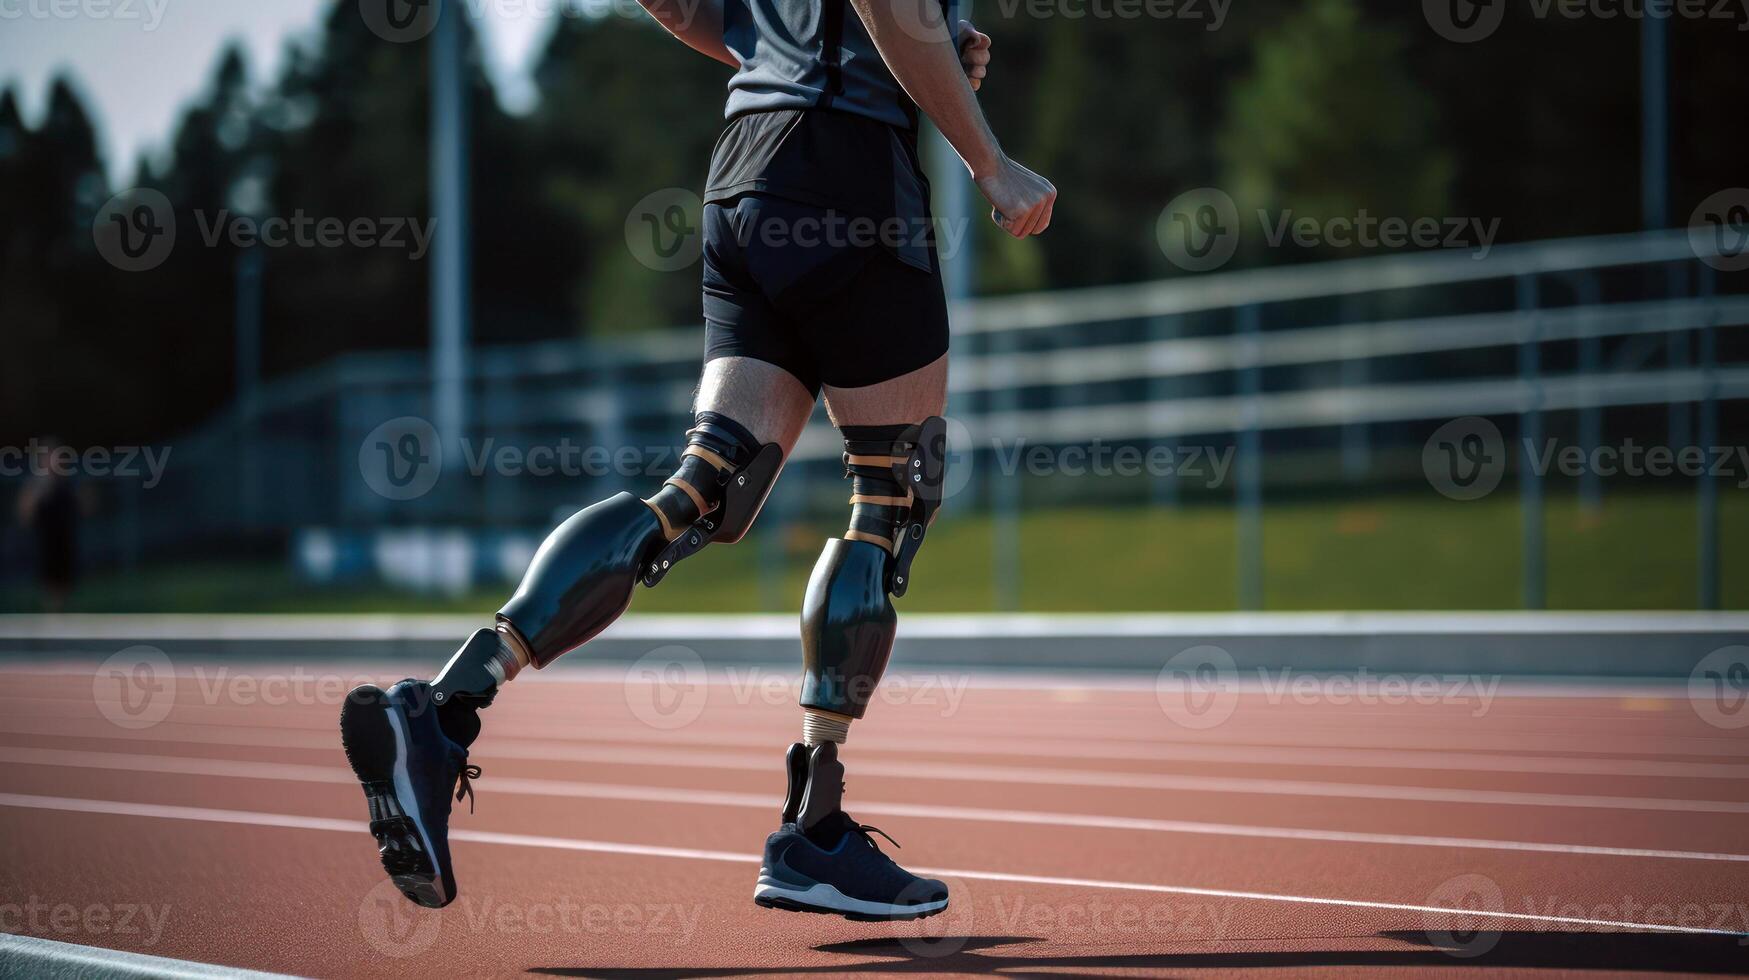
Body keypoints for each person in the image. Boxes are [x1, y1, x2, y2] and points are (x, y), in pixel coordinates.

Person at [339, 0, 1054, 921]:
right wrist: (985, 158)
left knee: (706, 482)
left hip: (745, 166)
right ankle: (814, 831)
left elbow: (679, 5)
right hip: (847, 169)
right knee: (890, 493)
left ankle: (447, 703)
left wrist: (839, 48)